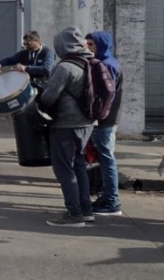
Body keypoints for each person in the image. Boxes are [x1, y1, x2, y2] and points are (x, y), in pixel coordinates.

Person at [38, 26, 96, 227]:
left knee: (64, 170)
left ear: (61, 46)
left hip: (65, 124)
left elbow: (49, 98)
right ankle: (86, 210)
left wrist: (39, 96)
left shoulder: (64, 67)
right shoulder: (91, 62)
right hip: (88, 123)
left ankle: (74, 214)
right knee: (78, 165)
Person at [86, 31, 124, 216]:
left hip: (105, 121)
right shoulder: (108, 62)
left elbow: (106, 95)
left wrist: (98, 114)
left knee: (107, 159)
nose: (88, 48)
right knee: (103, 159)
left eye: (92, 45)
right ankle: (106, 196)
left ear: (101, 45)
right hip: (106, 120)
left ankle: (111, 201)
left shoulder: (106, 65)